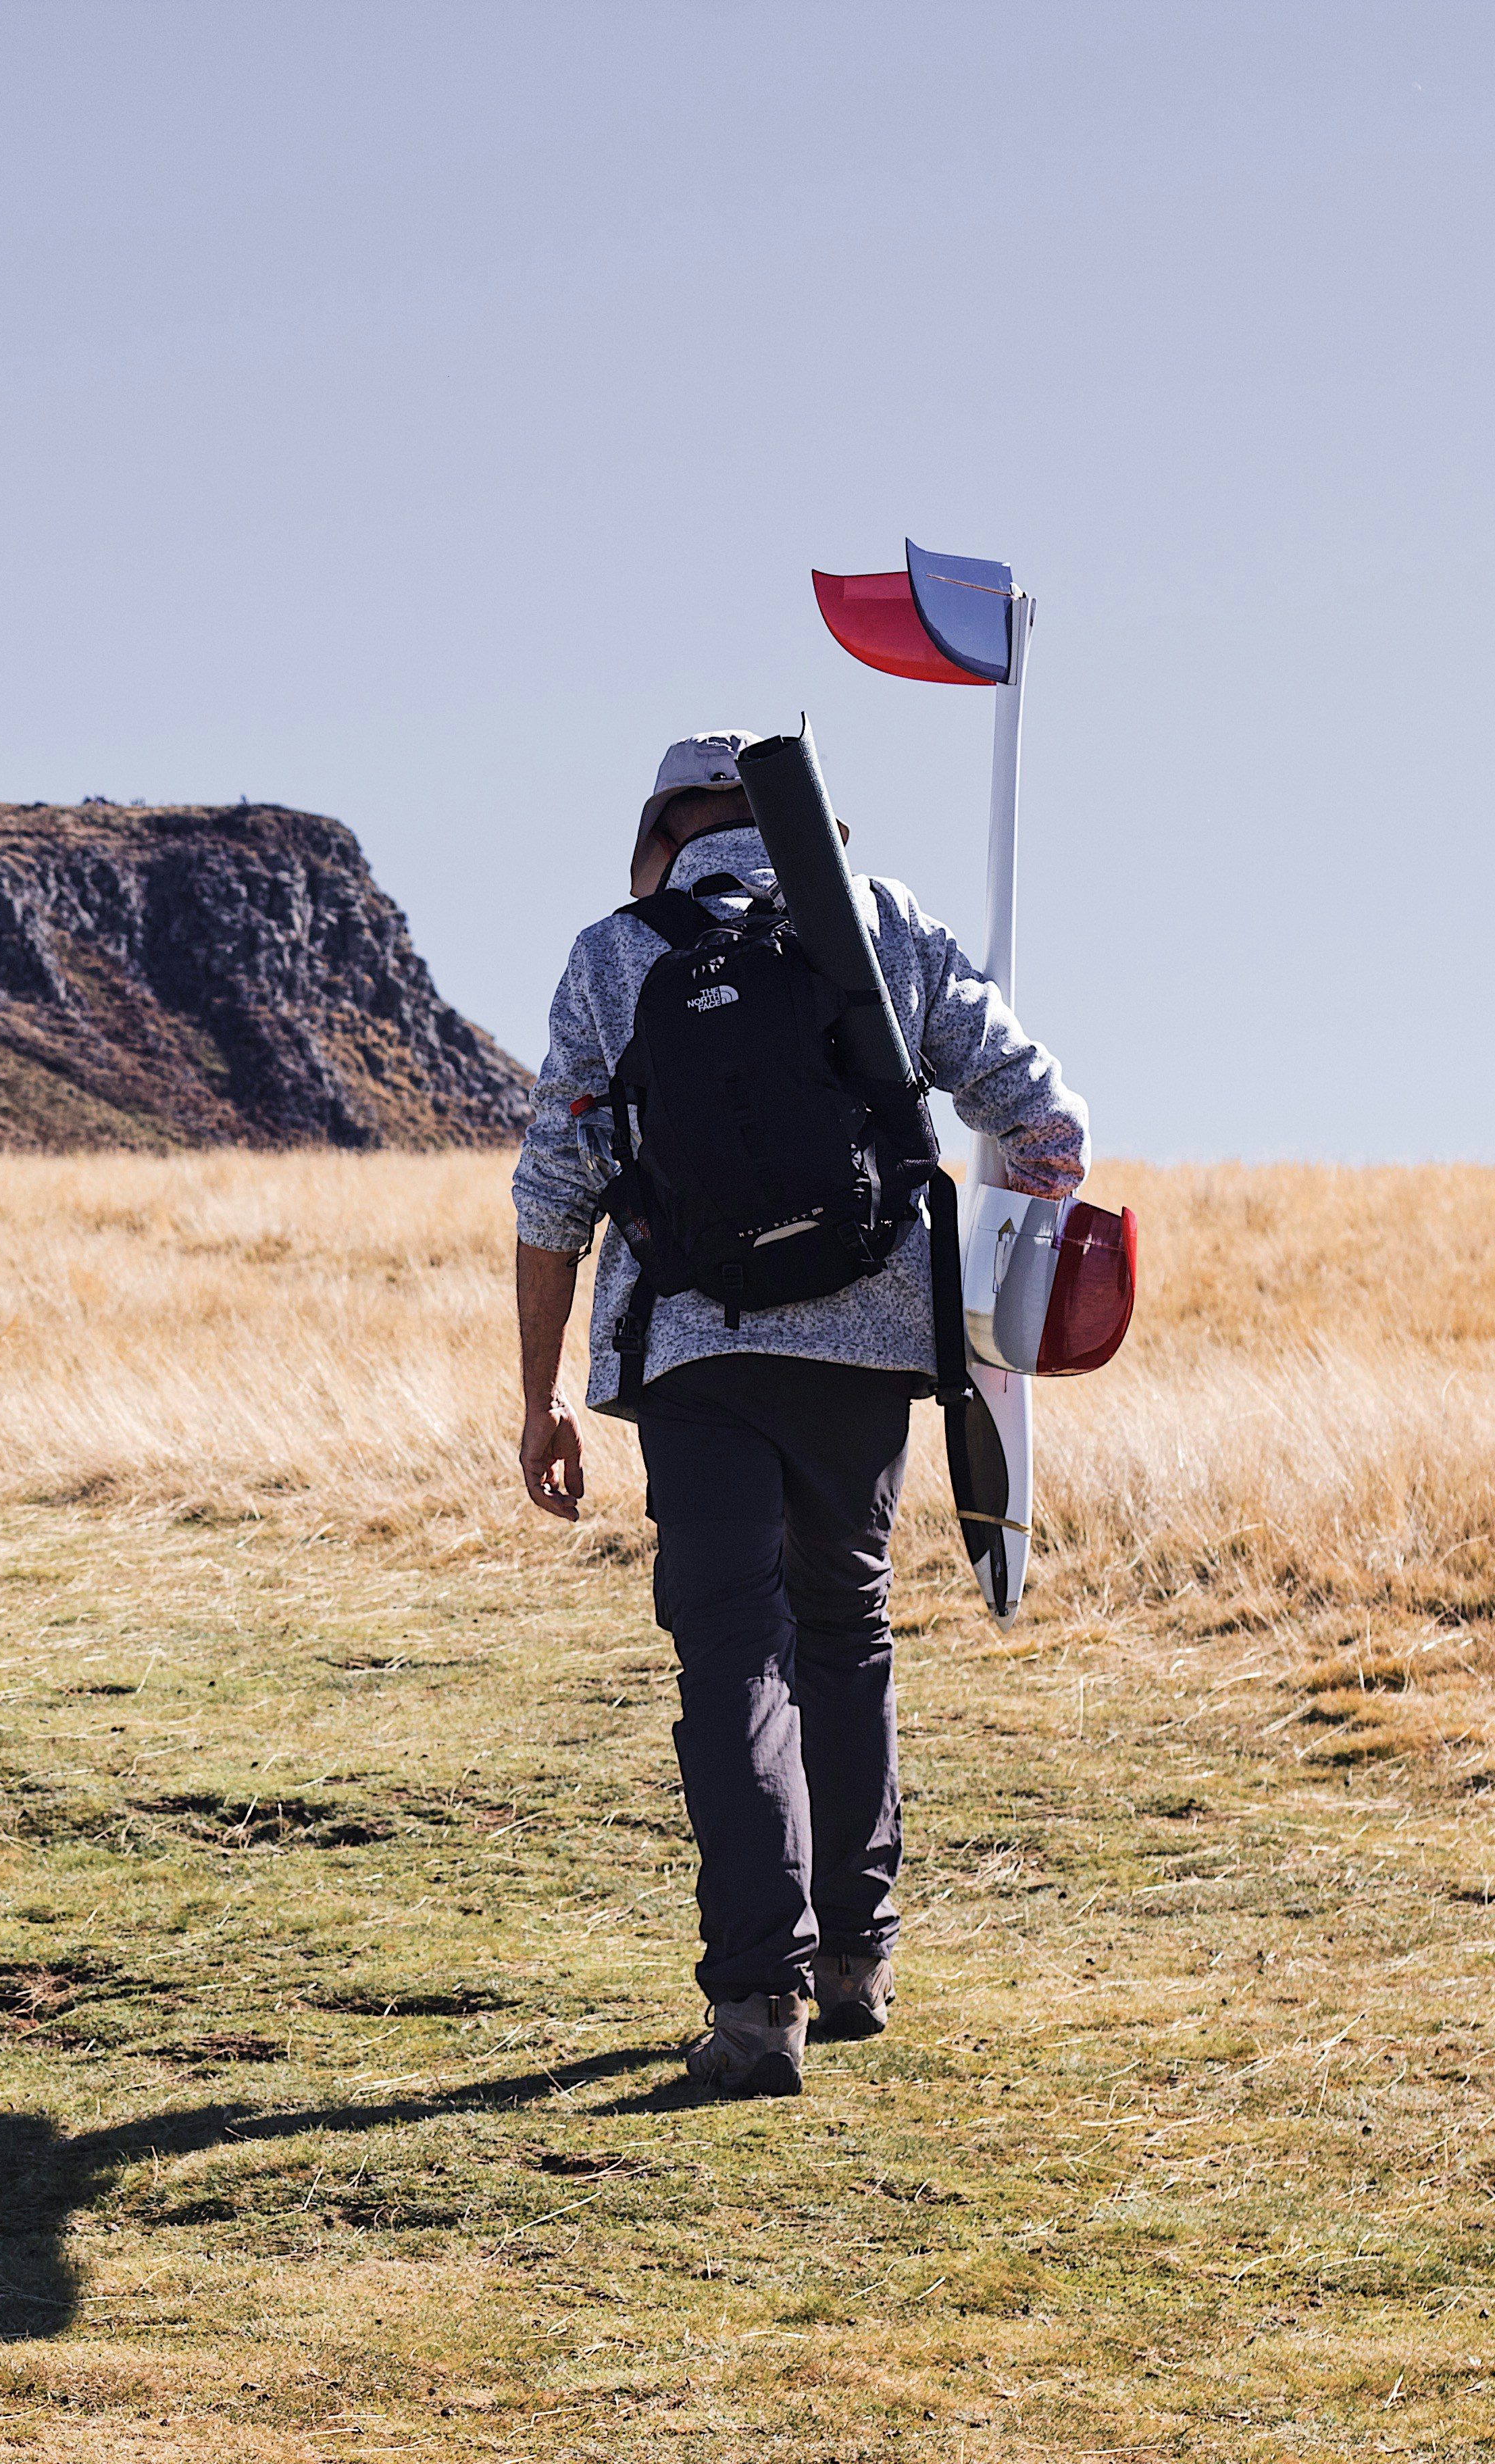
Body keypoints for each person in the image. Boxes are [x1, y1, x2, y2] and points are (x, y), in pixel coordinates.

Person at [509, 734, 1086, 2099]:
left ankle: (758, 2006)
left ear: (661, 834)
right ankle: (856, 1964)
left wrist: (541, 1401)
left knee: (734, 1659)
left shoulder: (614, 956)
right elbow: (1044, 1116)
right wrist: (1004, 1298)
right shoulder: (879, 921)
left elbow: (553, 1190)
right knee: (846, 1634)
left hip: (695, 1354)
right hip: (869, 1359)